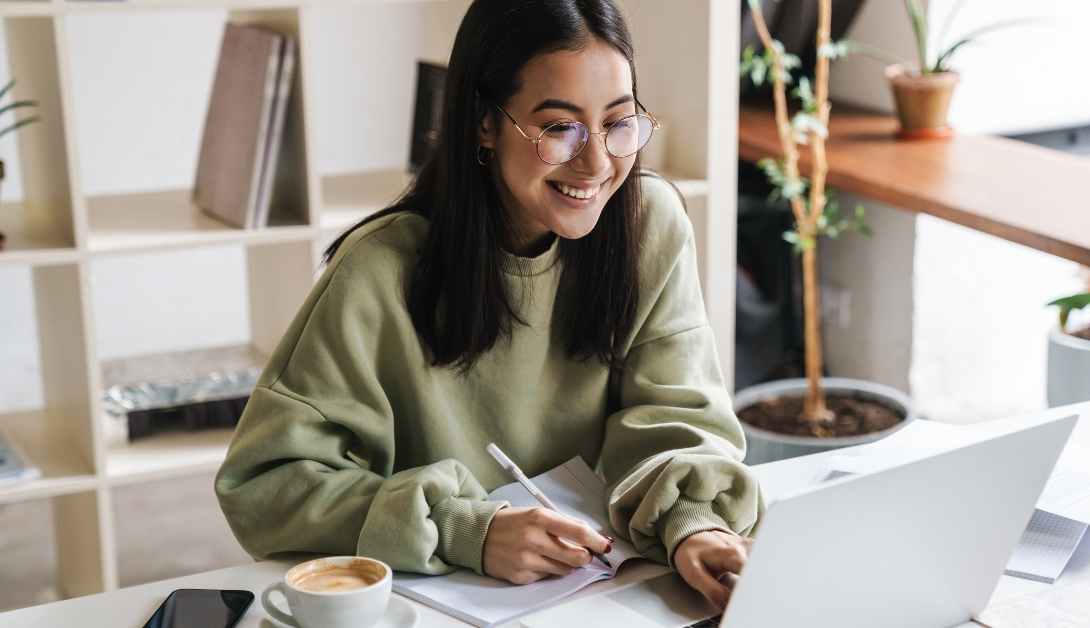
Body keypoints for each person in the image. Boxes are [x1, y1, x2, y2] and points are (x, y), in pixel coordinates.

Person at [214, 0, 764, 611]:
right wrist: (465, 528)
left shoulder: (650, 224)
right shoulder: (379, 269)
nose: (599, 161)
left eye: (618, 121)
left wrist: (695, 521)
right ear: (484, 122)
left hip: (604, 595)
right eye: (559, 128)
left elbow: (678, 415)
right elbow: (266, 484)